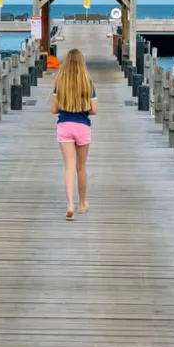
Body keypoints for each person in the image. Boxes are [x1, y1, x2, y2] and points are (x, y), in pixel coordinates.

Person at [50, 46, 95, 220]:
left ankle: (69, 205)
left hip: (65, 126)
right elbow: (95, 109)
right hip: (82, 126)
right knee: (81, 167)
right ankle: (82, 203)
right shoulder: (88, 82)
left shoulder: (59, 82)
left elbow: (54, 109)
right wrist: (81, 110)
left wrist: (67, 107)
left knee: (69, 166)